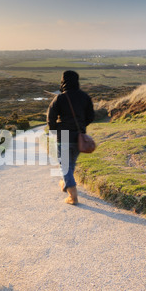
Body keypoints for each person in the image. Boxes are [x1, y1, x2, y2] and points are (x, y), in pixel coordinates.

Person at [46, 70, 95, 205]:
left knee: (65, 166)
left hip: (65, 135)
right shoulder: (85, 97)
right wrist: (81, 126)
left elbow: (51, 116)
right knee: (70, 163)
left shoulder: (60, 98)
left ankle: (73, 196)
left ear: (63, 81)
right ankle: (65, 184)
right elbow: (91, 116)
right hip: (79, 136)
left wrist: (54, 129)